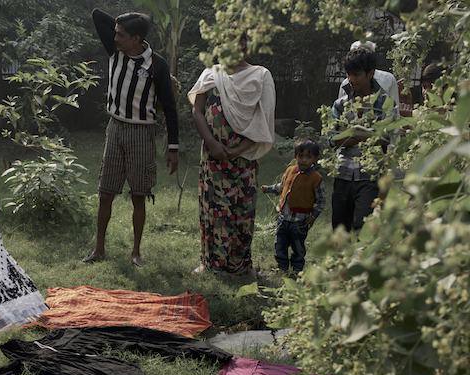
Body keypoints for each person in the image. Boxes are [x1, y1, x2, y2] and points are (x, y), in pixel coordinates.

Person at [82, 9, 179, 267]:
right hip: (115, 129)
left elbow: (170, 108)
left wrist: (173, 148)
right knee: (105, 193)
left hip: (142, 132)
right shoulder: (115, 52)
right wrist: (127, 20)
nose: (115, 38)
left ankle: (135, 253)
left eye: (121, 35)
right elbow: (96, 15)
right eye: (115, 33)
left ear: (136, 39)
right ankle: (98, 249)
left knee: (139, 194)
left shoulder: (157, 64)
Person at [188, 32, 276, 278]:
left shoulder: (260, 75)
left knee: (242, 210)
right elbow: (198, 111)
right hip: (212, 158)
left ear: (243, 44)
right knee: (213, 208)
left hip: (244, 160)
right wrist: (212, 143)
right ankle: (211, 264)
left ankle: (239, 266)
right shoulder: (211, 74)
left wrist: (237, 150)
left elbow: (263, 120)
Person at [329, 46, 395, 233]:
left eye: (357, 74)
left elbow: (384, 138)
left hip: (370, 175)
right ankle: (341, 262)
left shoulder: (384, 102)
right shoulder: (340, 104)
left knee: (363, 227)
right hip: (342, 173)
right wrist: (368, 133)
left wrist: (349, 132)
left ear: (370, 73)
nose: (351, 79)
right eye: (349, 74)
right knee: (340, 230)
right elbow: (333, 140)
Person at [261, 137, 325, 274]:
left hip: (300, 221)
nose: (304, 160)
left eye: (308, 157)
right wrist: (269, 188)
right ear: (295, 156)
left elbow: (321, 200)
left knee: (298, 246)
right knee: (279, 243)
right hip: (284, 217)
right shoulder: (290, 170)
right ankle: (282, 266)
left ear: (315, 158)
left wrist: (313, 216)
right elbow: (283, 187)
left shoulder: (316, 178)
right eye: (301, 156)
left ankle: (297, 269)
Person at [338, 41, 401, 117]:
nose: (351, 79)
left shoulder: (388, 79)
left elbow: (394, 114)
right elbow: (341, 113)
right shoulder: (345, 84)